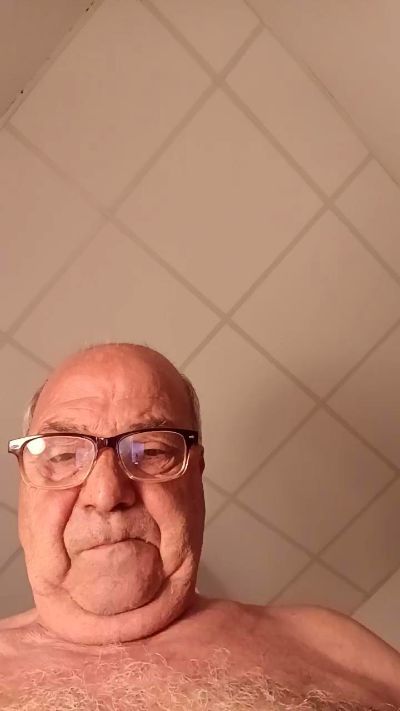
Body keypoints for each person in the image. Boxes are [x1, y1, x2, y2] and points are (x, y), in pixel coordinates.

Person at [0, 343, 399, 710]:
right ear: (23, 486)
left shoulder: (330, 646)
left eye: (151, 451)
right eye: (63, 455)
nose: (106, 493)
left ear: (196, 475)